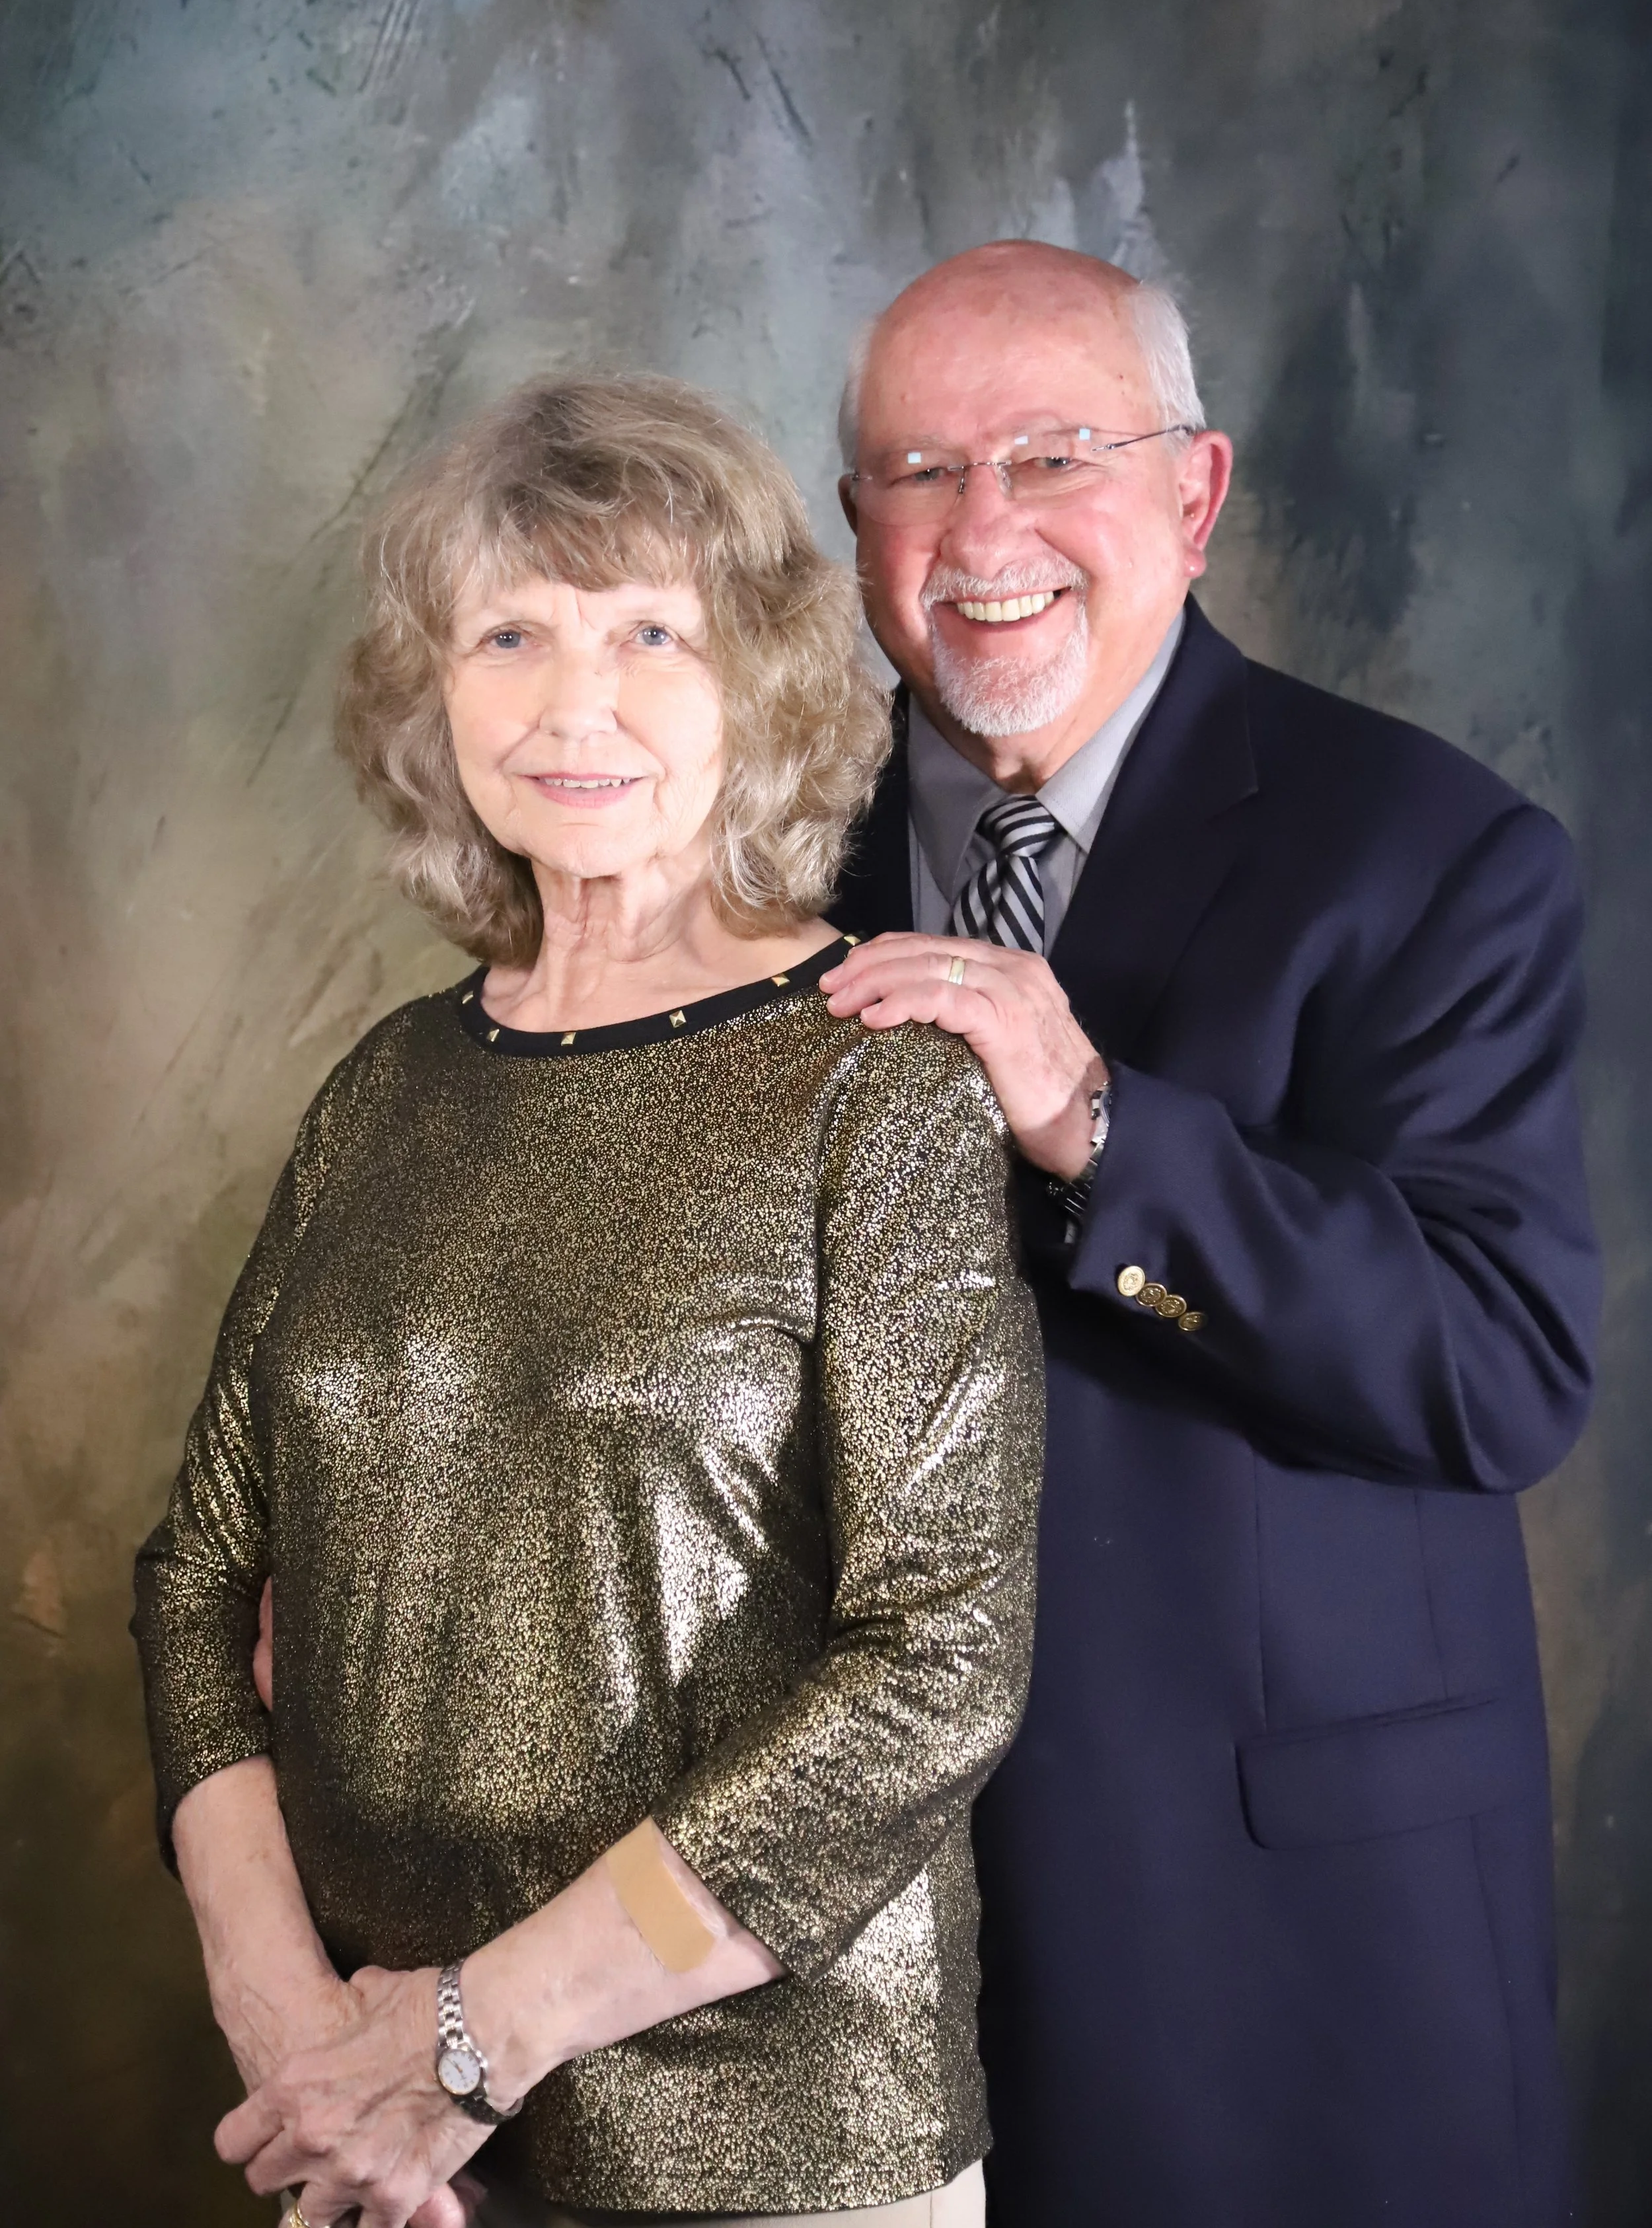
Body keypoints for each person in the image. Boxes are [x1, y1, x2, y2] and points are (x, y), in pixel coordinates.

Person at [132, 374, 1043, 2228]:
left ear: (762, 687)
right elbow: (190, 1579)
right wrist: (295, 2027)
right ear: (433, 693)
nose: (575, 702)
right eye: (512, 634)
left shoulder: (875, 1082)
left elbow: (935, 1665)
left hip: (770, 2147)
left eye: (651, 633)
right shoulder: (389, 1086)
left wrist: (470, 2033)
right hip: (387, 2147)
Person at [821, 241, 1599, 2228]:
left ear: (1196, 490)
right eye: (917, 471)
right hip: (813, 1960)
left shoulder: (1426, 856)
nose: (980, 526)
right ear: (854, 528)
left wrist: (1095, 1129)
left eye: (1051, 452)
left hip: (1279, 1967)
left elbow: (1496, 1362)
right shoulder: (746, 859)